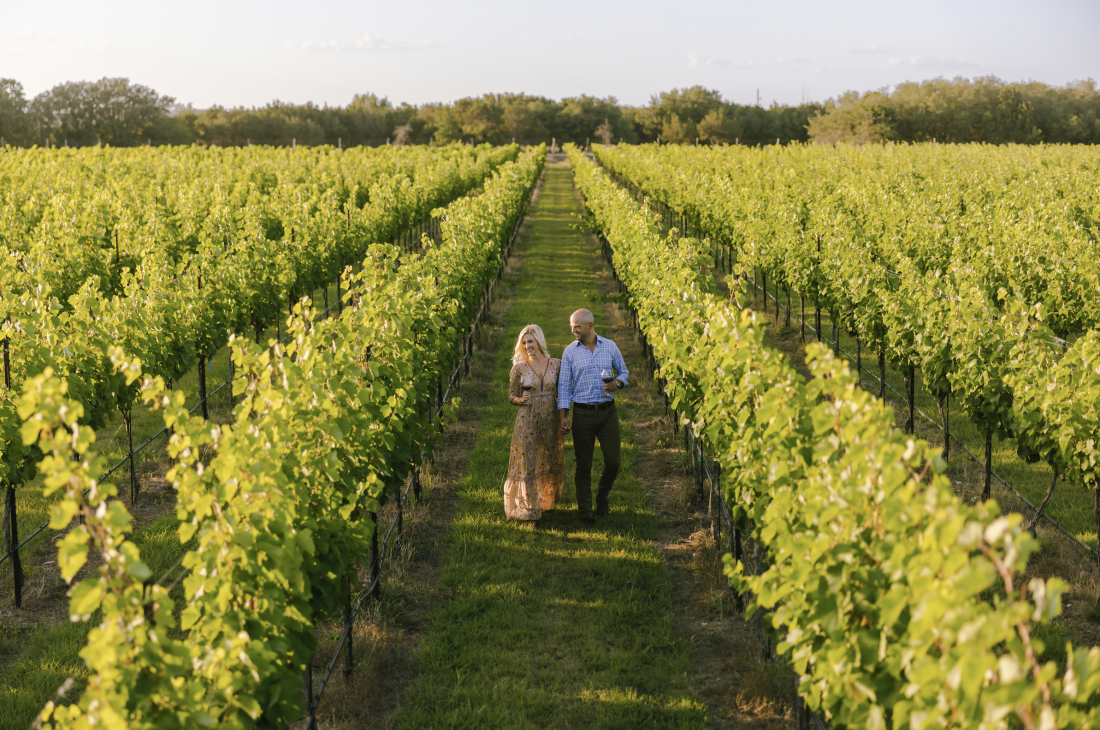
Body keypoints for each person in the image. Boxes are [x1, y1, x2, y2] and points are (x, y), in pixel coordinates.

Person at [557, 309, 629, 525]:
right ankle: (585, 512)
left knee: (614, 462)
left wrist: (617, 383)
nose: (573, 330)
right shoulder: (569, 352)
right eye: (571, 326)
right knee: (583, 466)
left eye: (577, 326)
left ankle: (602, 496)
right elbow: (563, 386)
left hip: (608, 412)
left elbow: (624, 372)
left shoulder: (610, 346)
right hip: (583, 414)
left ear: (590, 326)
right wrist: (564, 415)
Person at [504, 324, 564, 521]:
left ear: (539, 341)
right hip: (527, 420)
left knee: (548, 458)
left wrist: (564, 417)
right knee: (529, 462)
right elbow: (511, 396)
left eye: (530, 341)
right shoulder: (519, 368)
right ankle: (530, 507)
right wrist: (521, 400)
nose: (527, 346)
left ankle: (546, 501)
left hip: (550, 418)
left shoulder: (556, 364)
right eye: (524, 343)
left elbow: (562, 393)